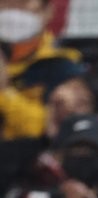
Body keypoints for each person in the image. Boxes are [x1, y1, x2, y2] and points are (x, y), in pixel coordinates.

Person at [0, 0, 84, 140]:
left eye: (23, 5)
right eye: (7, 4)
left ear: (48, 12)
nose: (14, 15)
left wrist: (5, 92)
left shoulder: (63, 67)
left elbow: (49, 127)